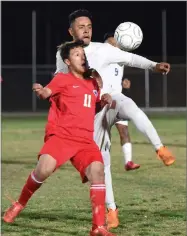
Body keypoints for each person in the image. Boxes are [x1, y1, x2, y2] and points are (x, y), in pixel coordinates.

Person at [55, 9, 176, 229]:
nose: (86, 30)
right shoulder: (64, 54)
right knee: (103, 164)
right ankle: (112, 209)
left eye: (89, 27)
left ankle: (160, 148)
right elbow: (60, 79)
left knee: (132, 108)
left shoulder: (103, 50)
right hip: (92, 113)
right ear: (71, 30)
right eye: (81, 26)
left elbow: (130, 58)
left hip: (113, 99)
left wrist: (154, 66)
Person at [3, 41, 116, 236]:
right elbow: (47, 92)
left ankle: (98, 227)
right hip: (62, 136)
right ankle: (19, 204)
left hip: (85, 140)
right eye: (77, 54)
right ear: (68, 61)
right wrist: (41, 91)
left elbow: (91, 107)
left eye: (83, 54)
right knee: (43, 170)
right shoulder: (62, 79)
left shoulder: (92, 83)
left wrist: (103, 102)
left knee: (98, 171)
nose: (82, 57)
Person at [103, 32, 140, 171]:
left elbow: (118, 79)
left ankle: (128, 162)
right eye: (111, 44)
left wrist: (125, 85)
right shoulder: (100, 60)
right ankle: (98, 161)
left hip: (117, 102)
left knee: (124, 131)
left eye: (116, 44)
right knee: (102, 135)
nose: (114, 46)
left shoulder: (121, 60)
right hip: (103, 103)